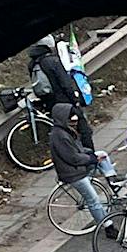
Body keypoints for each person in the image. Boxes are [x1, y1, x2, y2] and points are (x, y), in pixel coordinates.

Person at [48, 99, 112, 234]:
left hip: (78, 168)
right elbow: (73, 158)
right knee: (93, 200)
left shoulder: (66, 131)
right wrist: (92, 158)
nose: (75, 119)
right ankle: (107, 226)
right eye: (71, 116)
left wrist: (91, 154)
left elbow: (78, 150)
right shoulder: (60, 136)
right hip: (73, 174)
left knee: (102, 154)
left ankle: (112, 179)